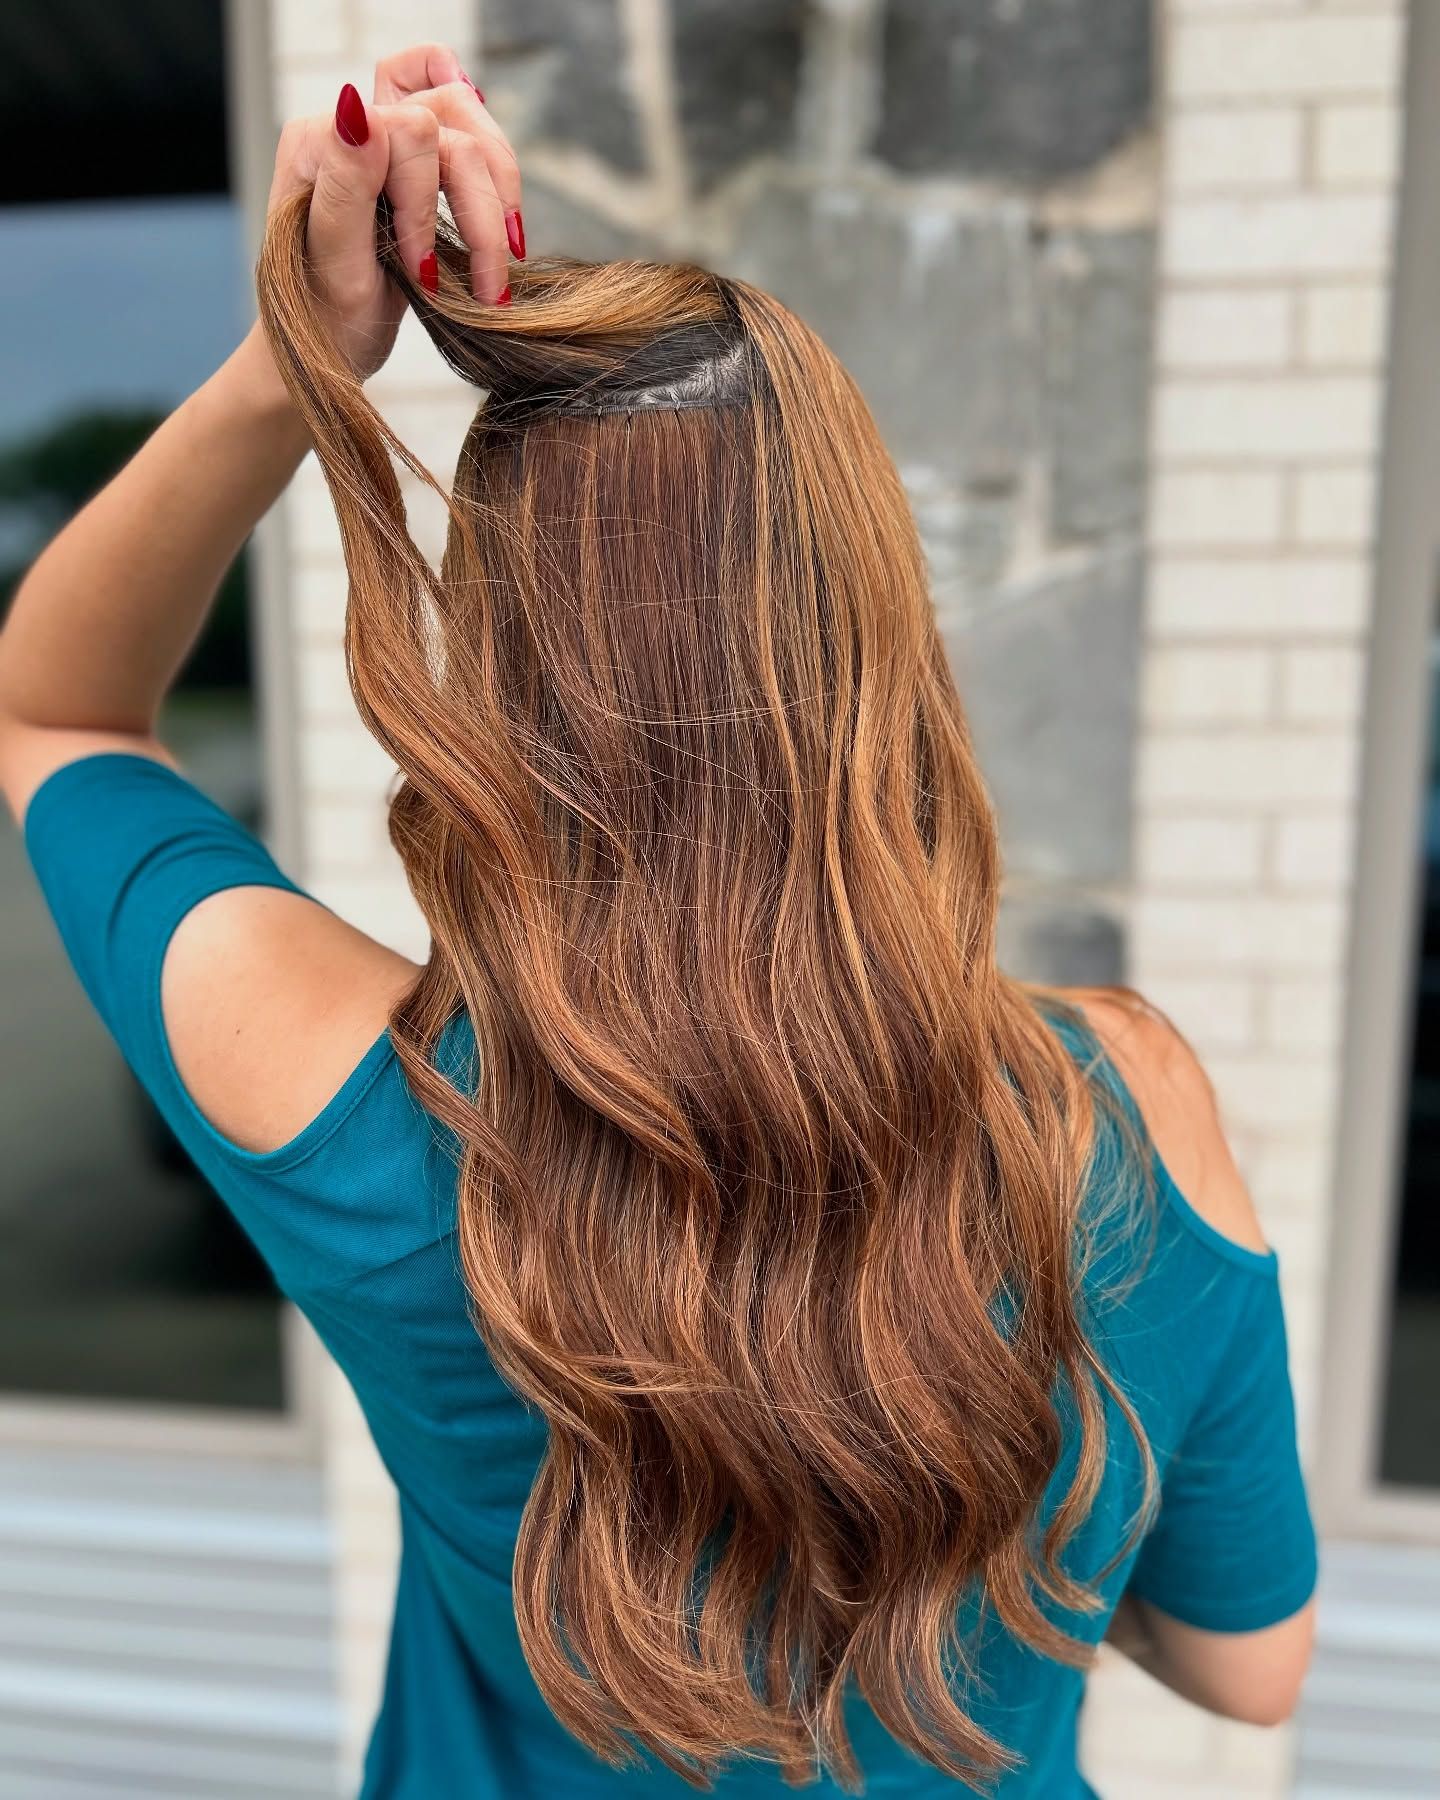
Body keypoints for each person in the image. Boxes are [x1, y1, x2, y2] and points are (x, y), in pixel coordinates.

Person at [0, 41, 1317, 1800]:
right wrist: (1062, 1544)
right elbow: (1253, 1669)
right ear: (877, 644)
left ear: (509, 672)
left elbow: (55, 716)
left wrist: (288, 375)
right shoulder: (1129, 1109)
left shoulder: (353, 1104)